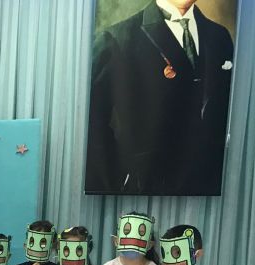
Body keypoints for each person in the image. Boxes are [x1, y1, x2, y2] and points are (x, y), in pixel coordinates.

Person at [85, 0, 234, 195]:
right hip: (146, 189)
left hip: (211, 188)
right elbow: (91, 122)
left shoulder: (220, 36)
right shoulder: (116, 39)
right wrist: (122, 177)